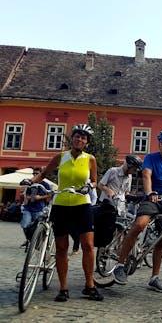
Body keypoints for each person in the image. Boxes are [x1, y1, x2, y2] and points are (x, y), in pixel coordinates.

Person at [27, 124, 103, 302]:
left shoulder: (90, 159)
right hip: (61, 204)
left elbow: (94, 181)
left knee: (88, 246)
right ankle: (63, 288)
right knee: (62, 248)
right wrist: (30, 180)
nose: (79, 139)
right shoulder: (61, 156)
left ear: (87, 142)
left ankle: (89, 285)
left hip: (82, 204)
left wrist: (88, 186)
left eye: (83, 138)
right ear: (72, 138)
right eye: (77, 136)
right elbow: (44, 173)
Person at [113, 130, 162, 292]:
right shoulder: (151, 158)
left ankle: (154, 277)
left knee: (160, 240)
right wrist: (150, 192)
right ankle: (120, 264)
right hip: (152, 199)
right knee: (139, 225)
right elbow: (146, 175)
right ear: (159, 144)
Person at [19, 168, 51, 248]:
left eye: (37, 173)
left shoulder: (45, 184)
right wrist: (29, 197)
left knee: (38, 227)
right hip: (28, 208)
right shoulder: (30, 183)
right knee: (25, 225)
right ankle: (29, 239)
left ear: (41, 174)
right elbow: (26, 194)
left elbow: (50, 194)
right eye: (34, 173)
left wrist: (40, 197)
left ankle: (37, 242)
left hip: (39, 208)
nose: (35, 175)